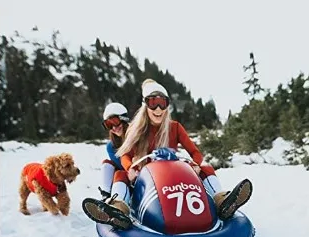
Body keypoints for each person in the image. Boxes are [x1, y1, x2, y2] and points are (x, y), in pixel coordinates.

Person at [85, 79, 253, 228]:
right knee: (120, 173)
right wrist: (130, 169)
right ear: (146, 106)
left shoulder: (174, 127)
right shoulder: (137, 129)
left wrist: (195, 164)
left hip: (172, 175)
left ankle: (221, 201)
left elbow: (195, 152)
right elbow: (125, 155)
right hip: (147, 178)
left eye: (162, 103)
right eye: (152, 103)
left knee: (206, 167)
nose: (158, 109)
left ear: (167, 105)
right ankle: (118, 210)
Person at [98, 102, 130, 201]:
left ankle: (118, 201)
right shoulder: (111, 147)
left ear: (124, 120)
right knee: (107, 164)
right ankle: (106, 196)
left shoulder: (136, 138)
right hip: (124, 180)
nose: (114, 128)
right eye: (109, 125)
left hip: (140, 176)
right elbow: (121, 167)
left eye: (115, 122)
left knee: (120, 173)